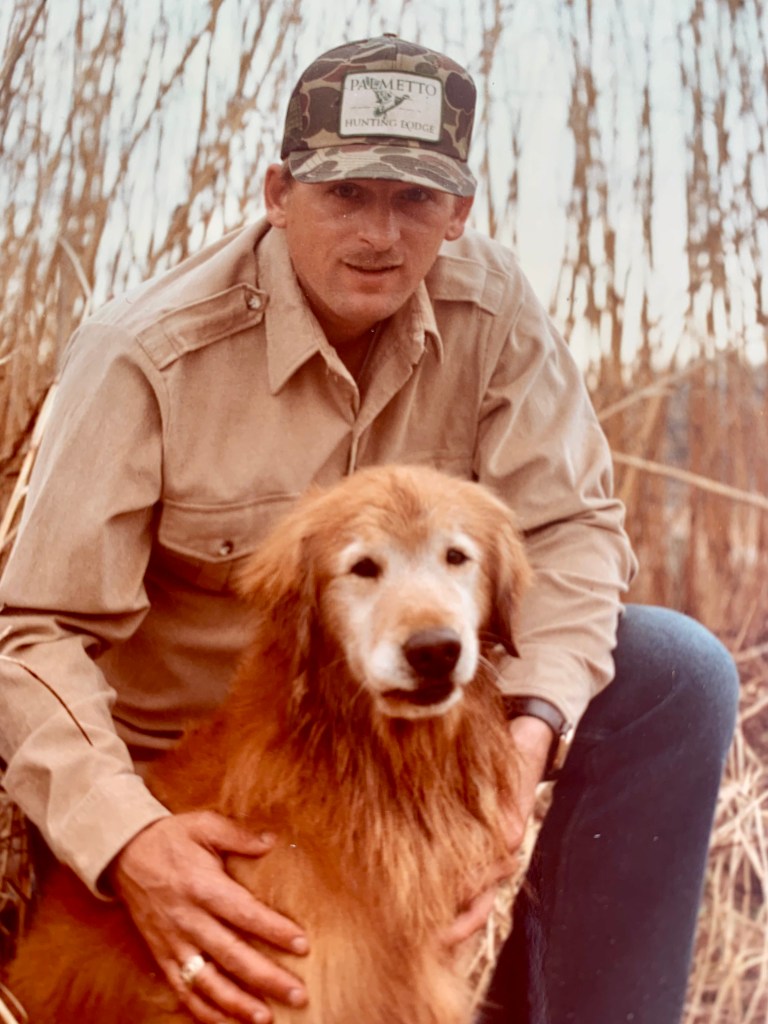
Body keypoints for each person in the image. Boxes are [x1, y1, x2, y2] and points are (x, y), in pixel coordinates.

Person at [0, 34, 738, 1024]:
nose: (380, 235)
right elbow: (31, 632)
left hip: (407, 731)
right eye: (345, 194)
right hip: (192, 763)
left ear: (460, 213)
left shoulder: (496, 311)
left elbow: (574, 533)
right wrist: (129, 838)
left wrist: (523, 749)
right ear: (277, 190)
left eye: (414, 199)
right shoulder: (145, 357)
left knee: (674, 671)